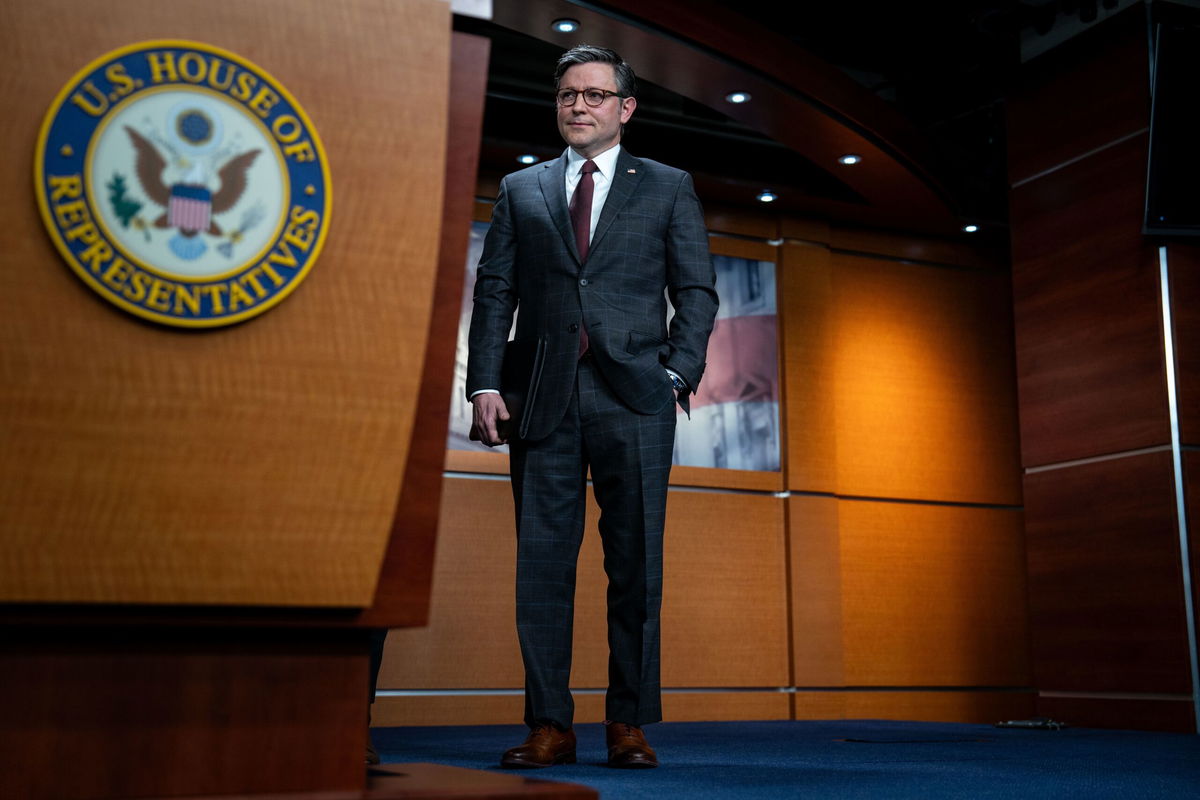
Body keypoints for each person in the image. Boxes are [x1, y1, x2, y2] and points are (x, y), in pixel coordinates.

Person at [467, 44, 718, 769]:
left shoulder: (668, 186)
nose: (579, 105)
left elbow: (696, 290)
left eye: (596, 95)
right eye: (568, 95)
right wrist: (485, 382)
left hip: (637, 396)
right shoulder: (522, 190)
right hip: (541, 398)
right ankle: (550, 723)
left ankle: (627, 723)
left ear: (624, 108)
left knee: (635, 567)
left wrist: (677, 374)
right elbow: (495, 293)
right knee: (542, 568)